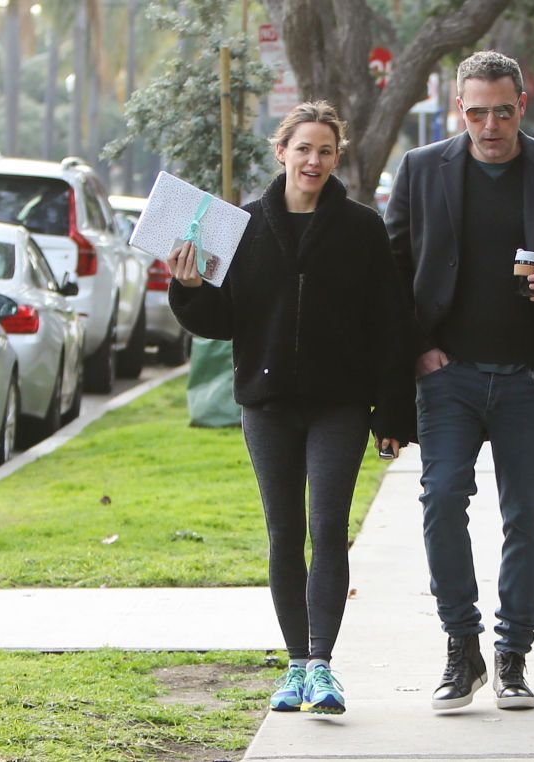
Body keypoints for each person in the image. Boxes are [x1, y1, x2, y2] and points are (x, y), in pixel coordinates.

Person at [167, 101, 415, 716]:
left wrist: (392, 414)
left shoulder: (361, 228)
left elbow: (392, 324)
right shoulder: (242, 227)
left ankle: (324, 666)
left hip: (341, 404)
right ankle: (295, 667)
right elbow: (220, 322)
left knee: (327, 527)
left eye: (326, 151)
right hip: (268, 404)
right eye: (303, 148)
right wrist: (189, 286)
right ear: (281, 152)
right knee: (283, 533)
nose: (314, 160)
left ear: (337, 158)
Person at [385, 51, 534, 711]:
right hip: (448, 377)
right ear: (459, 108)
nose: (490, 125)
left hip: (530, 379)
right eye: (477, 111)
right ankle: (463, 647)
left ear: (524, 104)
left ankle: (513, 654)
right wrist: (420, 347)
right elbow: (394, 269)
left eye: (503, 111)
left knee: (527, 518)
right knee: (440, 500)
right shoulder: (422, 169)